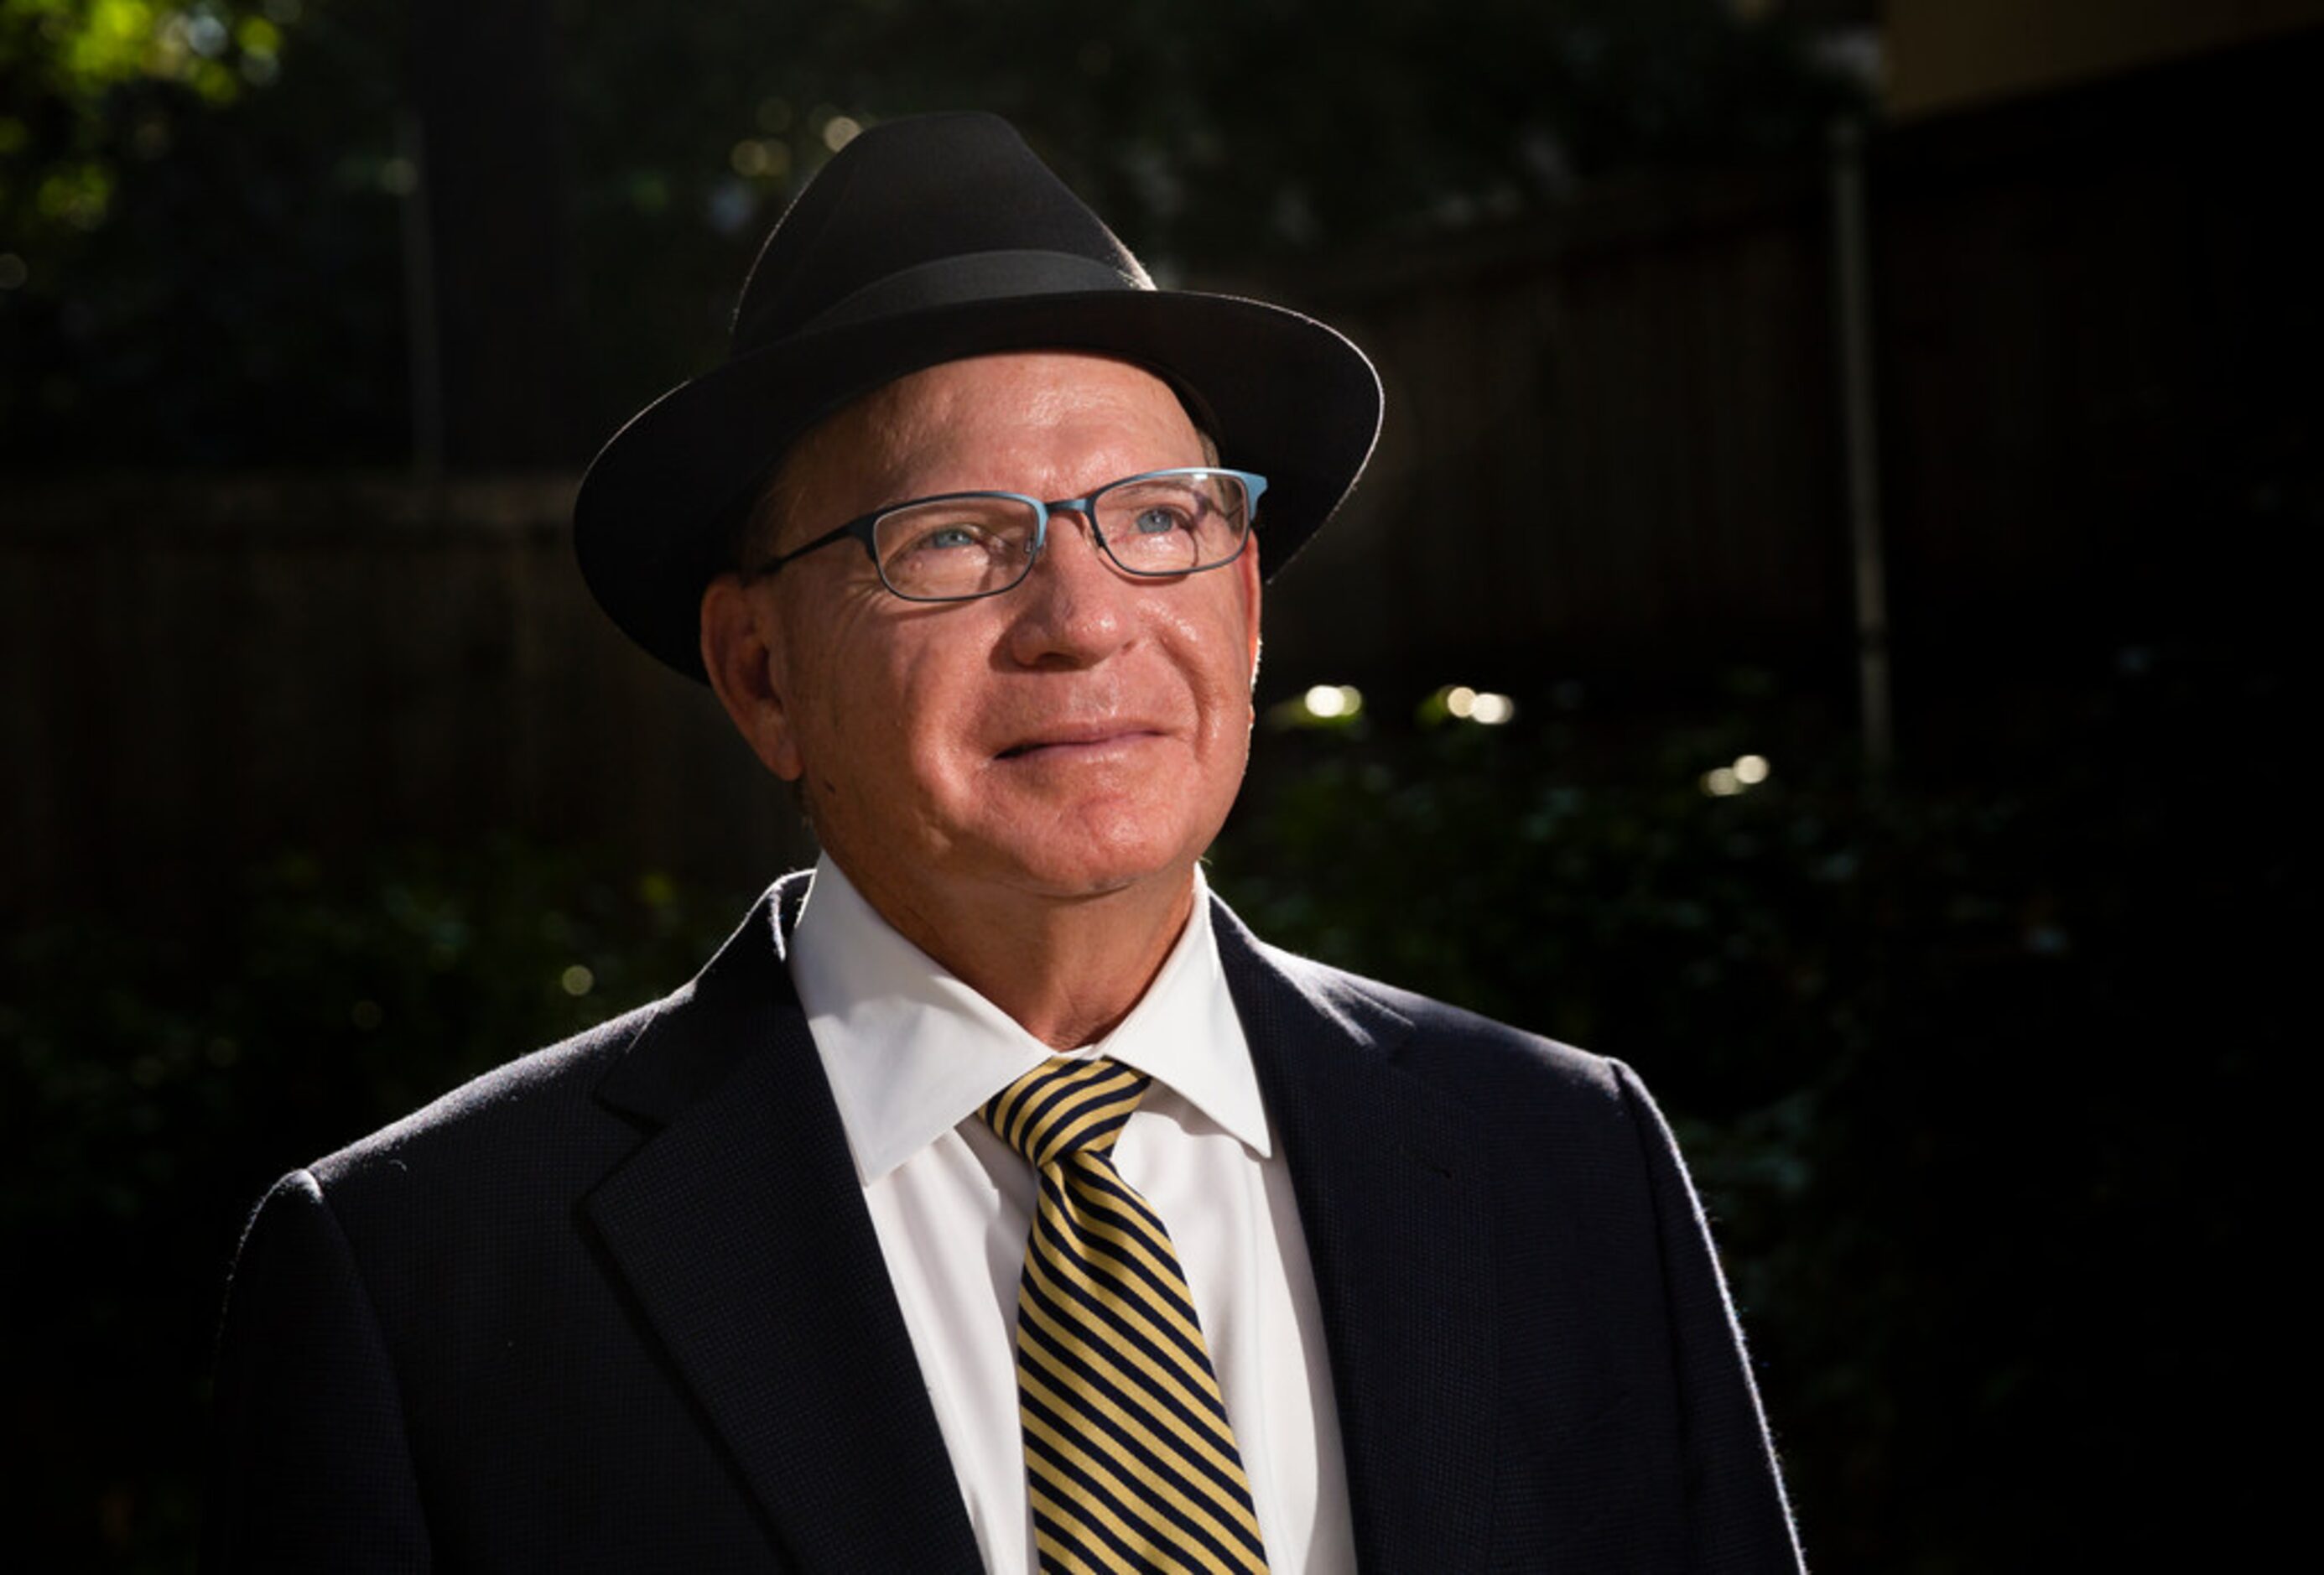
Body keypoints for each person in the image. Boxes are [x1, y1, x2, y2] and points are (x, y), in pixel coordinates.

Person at [204, 113, 1804, 1572]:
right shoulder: (428, 1281)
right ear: (763, 672)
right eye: (957, 537)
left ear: (1244, 610)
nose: (1084, 618)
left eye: (1160, 518)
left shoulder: (1563, 1159)